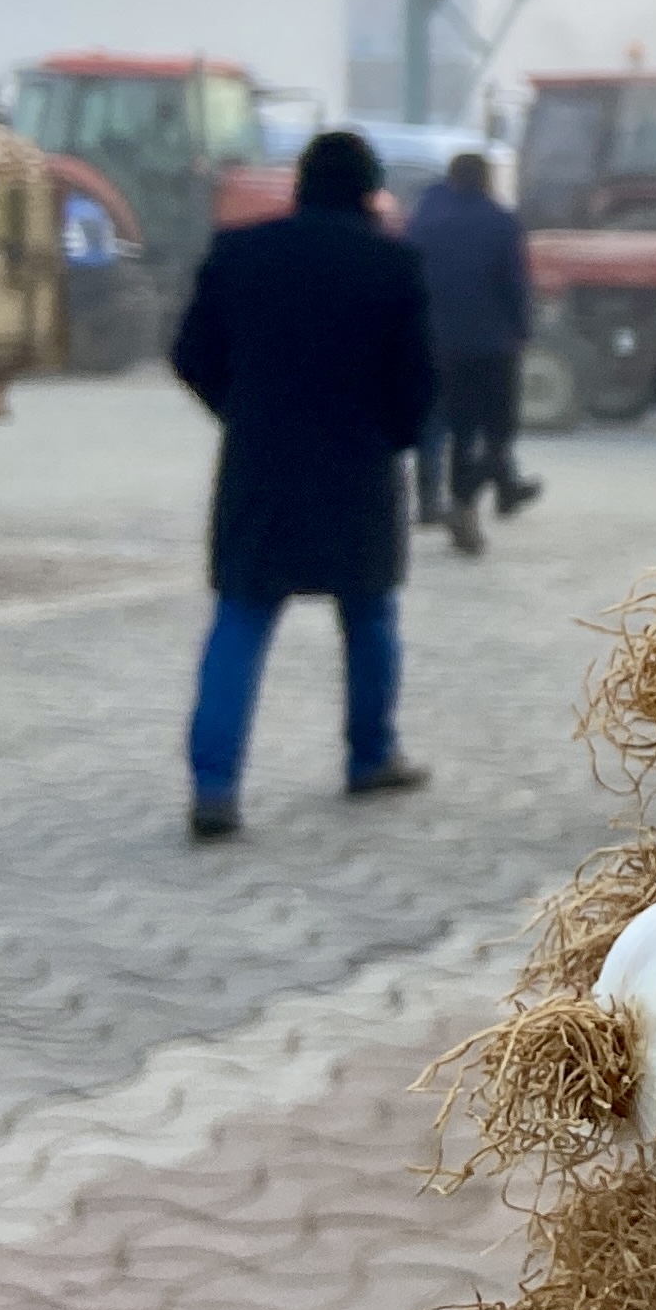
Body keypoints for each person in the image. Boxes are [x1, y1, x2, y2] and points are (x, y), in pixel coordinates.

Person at [169, 130, 436, 841]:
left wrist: (243, 409)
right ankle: (371, 754)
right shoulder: (393, 264)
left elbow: (189, 353)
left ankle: (214, 787)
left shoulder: (240, 253)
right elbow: (417, 379)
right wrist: (394, 435)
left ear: (300, 185)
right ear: (370, 191)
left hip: (261, 463)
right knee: (370, 613)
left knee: (243, 615)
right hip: (358, 463)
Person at [405, 150, 543, 555]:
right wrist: (522, 329)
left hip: (438, 342)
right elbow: (513, 284)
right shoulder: (501, 223)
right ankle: (467, 500)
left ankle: (452, 503)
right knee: (500, 432)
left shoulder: (425, 223)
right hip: (491, 346)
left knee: (457, 432)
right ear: (485, 180)